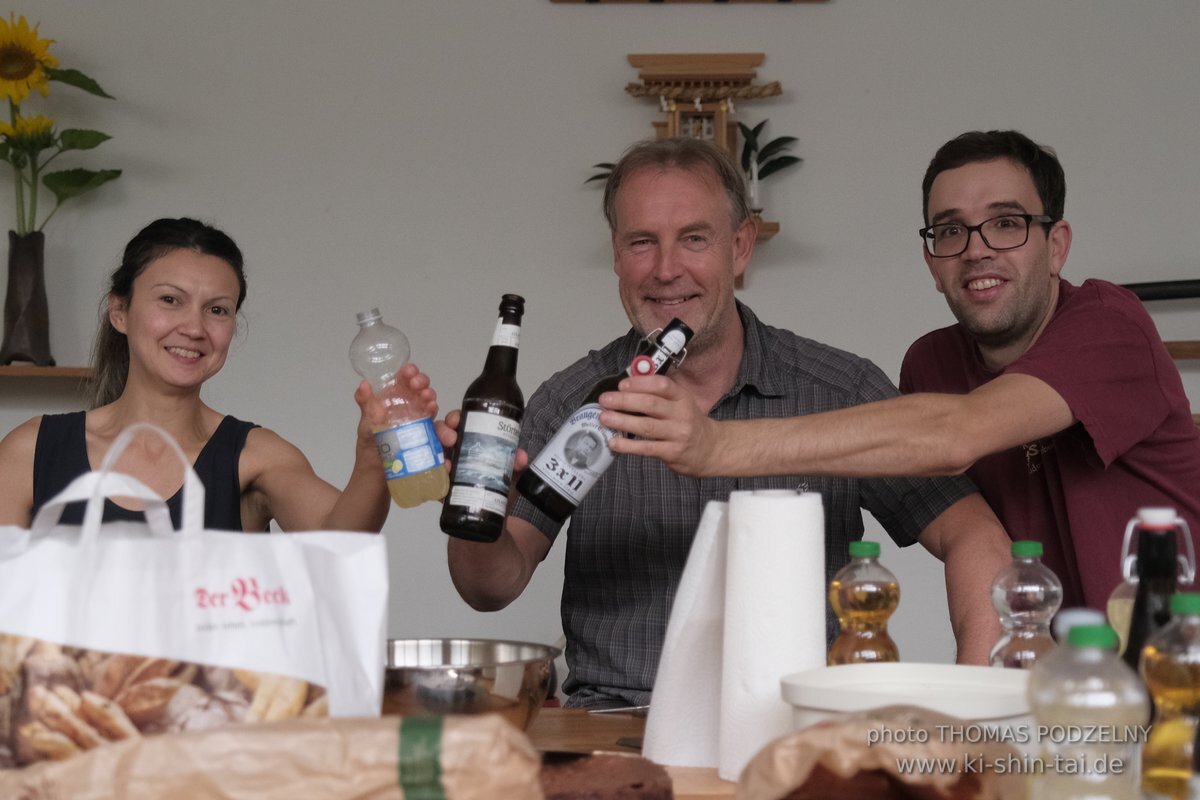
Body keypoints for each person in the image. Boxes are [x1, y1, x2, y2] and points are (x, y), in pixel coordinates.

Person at [444, 137, 1012, 709]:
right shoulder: (571, 399)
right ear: (617, 255)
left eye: (694, 238)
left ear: (740, 248)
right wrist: (478, 515)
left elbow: (974, 535)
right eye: (642, 242)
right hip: (615, 729)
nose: (667, 270)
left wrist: (974, 710)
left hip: (798, 724)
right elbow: (488, 588)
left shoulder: (841, 390)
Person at [600, 130, 1200, 612]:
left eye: (1007, 223)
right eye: (950, 230)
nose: (976, 248)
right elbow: (975, 537)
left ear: (1058, 245)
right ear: (930, 261)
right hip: (1059, 687)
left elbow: (957, 434)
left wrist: (715, 444)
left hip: (1178, 671)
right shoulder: (931, 364)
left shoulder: (1109, 323)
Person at [0, 217, 438, 533]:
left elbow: (338, 542)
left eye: (217, 310)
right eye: (170, 300)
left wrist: (370, 461)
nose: (194, 327)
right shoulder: (32, 450)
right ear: (120, 311)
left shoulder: (257, 456)